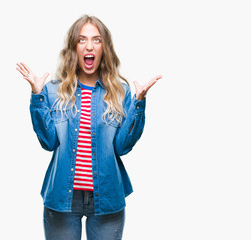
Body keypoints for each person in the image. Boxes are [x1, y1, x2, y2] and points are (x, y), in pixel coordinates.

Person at [16, 15, 162, 240]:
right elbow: (48, 142)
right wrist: (38, 96)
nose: (89, 45)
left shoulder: (120, 92)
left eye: (97, 39)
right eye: (82, 40)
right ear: (74, 47)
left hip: (107, 197)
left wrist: (139, 104)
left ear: (104, 48)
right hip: (61, 199)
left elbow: (122, 147)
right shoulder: (54, 91)